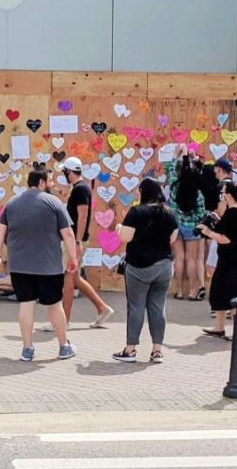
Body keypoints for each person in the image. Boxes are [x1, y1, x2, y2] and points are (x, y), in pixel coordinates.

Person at [0, 169, 78, 362]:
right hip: (49, 266)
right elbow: (68, 233)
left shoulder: (12, 203)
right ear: (41, 182)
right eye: (50, 181)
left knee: (26, 304)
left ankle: (27, 348)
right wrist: (73, 257)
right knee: (54, 305)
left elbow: (0, 230)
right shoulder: (54, 203)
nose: (52, 184)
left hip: (19, 265)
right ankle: (63, 346)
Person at [113, 178, 179, 364]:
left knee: (136, 307)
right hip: (164, 266)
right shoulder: (169, 212)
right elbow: (173, 238)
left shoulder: (136, 212)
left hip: (138, 267)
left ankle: (130, 350)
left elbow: (125, 237)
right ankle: (157, 351)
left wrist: (119, 228)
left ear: (143, 192)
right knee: (158, 307)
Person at [56, 157, 114, 329]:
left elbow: (83, 216)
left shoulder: (80, 189)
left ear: (69, 171)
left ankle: (64, 320)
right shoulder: (80, 188)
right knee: (75, 278)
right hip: (74, 239)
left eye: (64, 171)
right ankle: (102, 308)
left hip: (74, 240)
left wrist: (77, 241)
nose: (64, 175)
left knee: (68, 278)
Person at [198, 181, 237, 339]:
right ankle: (220, 327)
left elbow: (226, 239)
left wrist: (208, 232)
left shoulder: (232, 213)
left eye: (223, 193)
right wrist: (218, 221)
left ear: (229, 196)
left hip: (233, 257)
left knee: (232, 291)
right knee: (224, 290)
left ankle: (236, 332)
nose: (221, 195)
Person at [165, 145, 207, 302]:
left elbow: (170, 170)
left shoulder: (175, 186)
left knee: (179, 258)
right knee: (191, 259)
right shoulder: (198, 195)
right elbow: (201, 215)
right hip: (191, 228)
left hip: (176, 226)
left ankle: (179, 291)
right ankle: (192, 291)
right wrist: (193, 158)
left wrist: (176, 155)